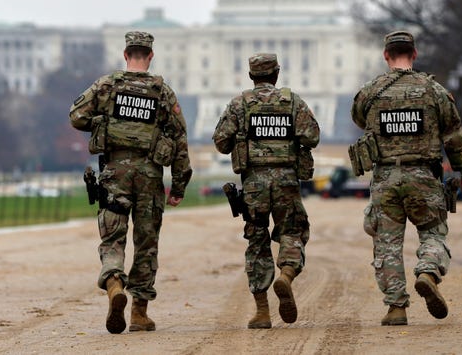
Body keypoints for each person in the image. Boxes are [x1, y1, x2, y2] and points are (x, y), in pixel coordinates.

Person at [69, 31, 192, 334]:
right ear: (150, 56)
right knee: (146, 243)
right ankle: (139, 313)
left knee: (113, 236)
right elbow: (179, 139)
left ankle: (113, 282)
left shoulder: (108, 85)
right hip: (150, 176)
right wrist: (178, 186)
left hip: (115, 173)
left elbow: (77, 116)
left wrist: (104, 123)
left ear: (126, 55)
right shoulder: (163, 92)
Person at [350, 31, 462, 326]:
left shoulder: (370, 93)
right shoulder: (434, 91)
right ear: (415, 54)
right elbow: (454, 137)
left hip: (386, 178)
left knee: (387, 244)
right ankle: (427, 273)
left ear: (386, 55)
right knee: (433, 233)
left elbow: (358, 119)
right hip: (424, 176)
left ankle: (396, 308)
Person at [212, 53, 320, 329]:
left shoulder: (239, 104)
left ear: (251, 76)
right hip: (286, 180)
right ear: (276, 74)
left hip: (254, 184)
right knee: (293, 231)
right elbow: (312, 136)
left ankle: (262, 312)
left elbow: (221, 142)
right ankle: (286, 273)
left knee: (257, 242)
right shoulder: (292, 101)